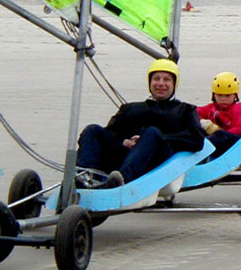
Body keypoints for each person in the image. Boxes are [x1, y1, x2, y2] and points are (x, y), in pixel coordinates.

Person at [76, 59, 205, 188]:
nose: (161, 84)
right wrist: (124, 142)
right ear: (150, 82)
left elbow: (197, 140)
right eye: (156, 79)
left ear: (174, 84)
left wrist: (155, 139)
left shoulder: (185, 110)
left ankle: (122, 180)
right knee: (92, 130)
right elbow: (110, 133)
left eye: (167, 80)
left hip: (157, 162)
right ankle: (86, 176)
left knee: (151, 132)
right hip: (124, 157)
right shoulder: (131, 108)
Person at [197, 72, 241, 158]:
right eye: (219, 95)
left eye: (227, 96)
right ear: (214, 95)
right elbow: (194, 113)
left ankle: (201, 151)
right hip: (215, 142)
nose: (223, 99)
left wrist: (222, 132)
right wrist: (204, 123)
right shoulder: (212, 108)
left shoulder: (240, 108)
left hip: (233, 143)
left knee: (220, 135)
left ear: (235, 95)